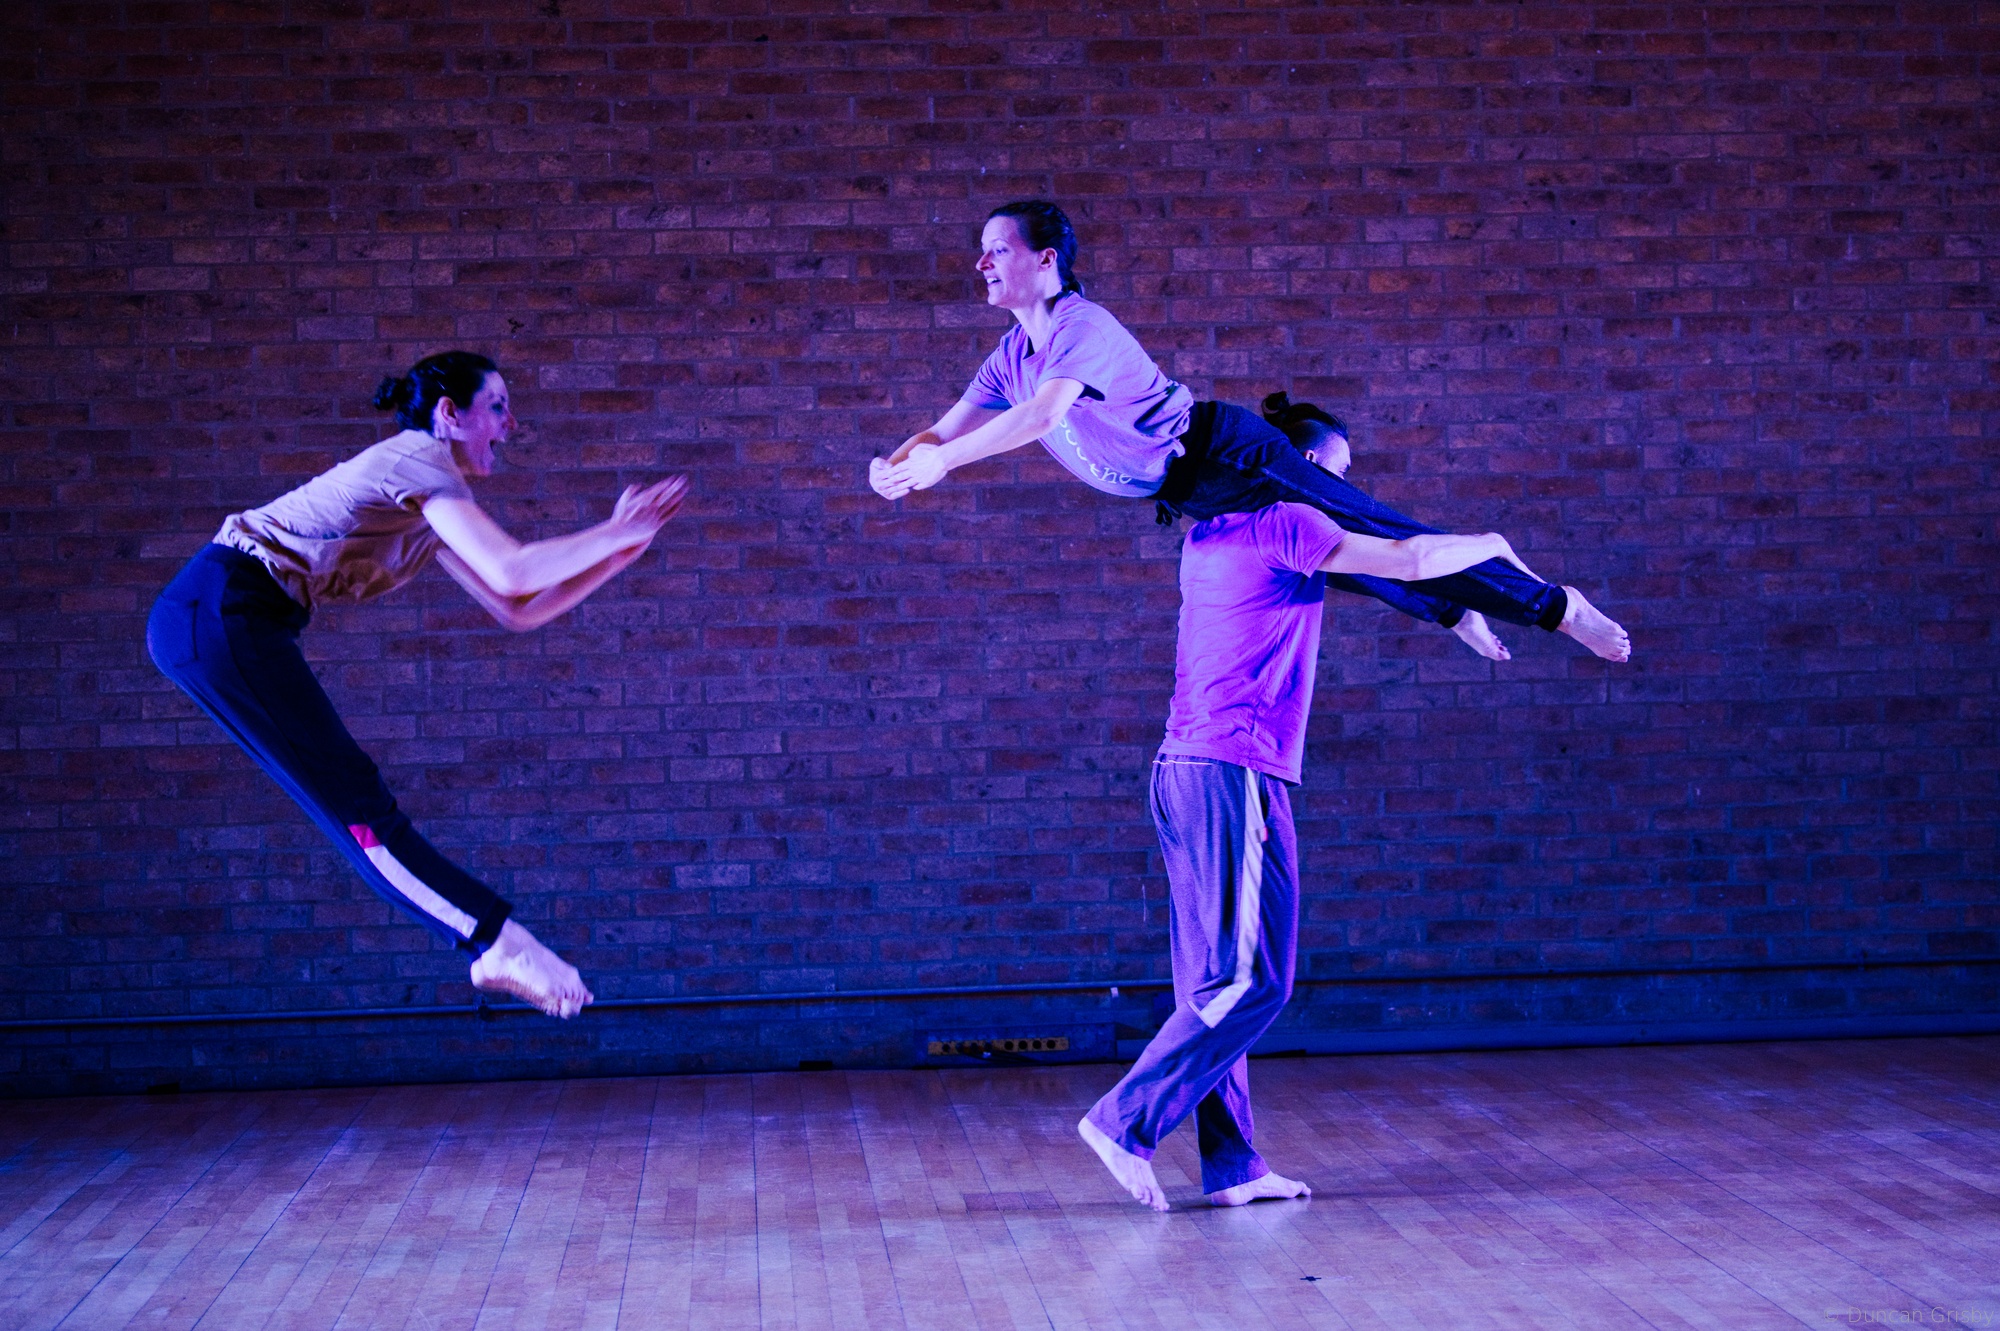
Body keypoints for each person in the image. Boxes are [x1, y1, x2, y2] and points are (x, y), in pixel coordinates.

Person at [1077, 436, 1556, 1210]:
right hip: (1234, 772)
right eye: (1333, 470)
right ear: (1292, 463)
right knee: (1253, 980)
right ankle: (1122, 1121)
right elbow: (1404, 556)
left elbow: (1366, 570)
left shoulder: (1211, 534)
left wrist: (1454, 614)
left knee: (1214, 987)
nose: (1341, 489)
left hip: (1186, 772)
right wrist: (1494, 548)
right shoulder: (1288, 520)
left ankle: (1233, 1165)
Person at [146, 351, 685, 1019]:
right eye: (497, 406)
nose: (511, 424)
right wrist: (614, 530)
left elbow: (517, 607)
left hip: (222, 617)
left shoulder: (431, 499)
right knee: (352, 799)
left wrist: (621, 551)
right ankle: (495, 943)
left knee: (351, 794)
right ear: (449, 414)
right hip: (220, 607)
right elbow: (515, 568)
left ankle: (491, 941)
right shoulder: (418, 459)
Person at [868, 199, 1629, 663]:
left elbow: (1042, 416)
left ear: (1045, 259)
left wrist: (943, 465)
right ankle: (1454, 609)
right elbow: (939, 433)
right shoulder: (1010, 356)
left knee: (1377, 533)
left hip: (1227, 453)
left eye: (997, 249)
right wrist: (894, 466)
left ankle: (1558, 607)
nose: (981, 262)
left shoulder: (1081, 326)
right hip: (1192, 492)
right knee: (1332, 562)